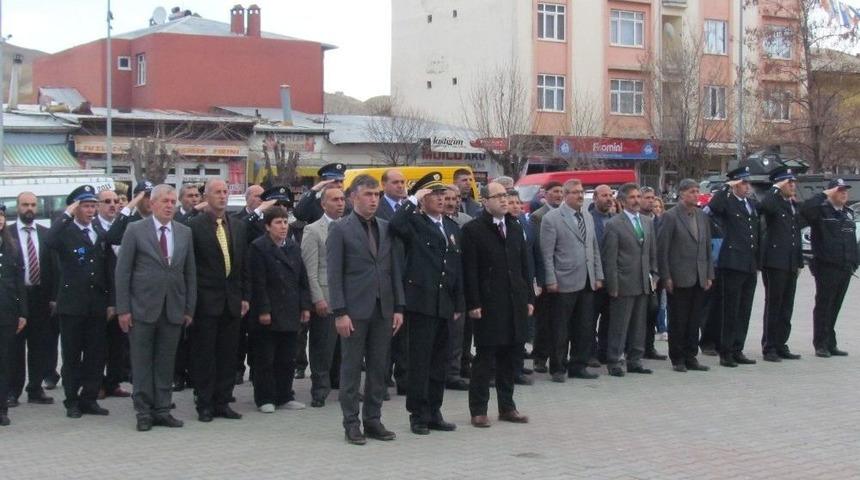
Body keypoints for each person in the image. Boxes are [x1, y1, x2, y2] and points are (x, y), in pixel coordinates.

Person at [327, 174, 404, 445]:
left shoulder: (385, 227)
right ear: (353, 198)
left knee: (378, 368)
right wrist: (340, 311)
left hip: (383, 308)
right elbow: (334, 274)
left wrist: (398, 307)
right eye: (368, 195)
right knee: (350, 370)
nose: (374, 200)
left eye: (377, 195)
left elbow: (393, 269)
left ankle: (373, 419)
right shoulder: (340, 229)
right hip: (354, 311)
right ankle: (351, 423)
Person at [115, 184, 196, 431]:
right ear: (152, 204)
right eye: (165, 201)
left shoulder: (184, 232)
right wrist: (123, 309)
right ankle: (143, 411)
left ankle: (163, 408)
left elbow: (190, 272)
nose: (170, 205)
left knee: (165, 362)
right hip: (141, 309)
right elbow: (123, 271)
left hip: (173, 308)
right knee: (141, 362)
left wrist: (189, 308)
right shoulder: (135, 230)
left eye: (173, 201)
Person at [390, 172, 464, 435]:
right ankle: (418, 415)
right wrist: (412, 199)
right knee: (419, 362)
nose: (441, 199)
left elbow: (456, 269)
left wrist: (458, 303)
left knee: (439, 363)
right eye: (434, 194)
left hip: (444, 303)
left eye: (443, 195)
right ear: (423, 198)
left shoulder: (452, 227)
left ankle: (435, 410)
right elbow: (394, 225)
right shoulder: (415, 222)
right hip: (421, 302)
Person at [461, 182, 533, 428]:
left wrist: (529, 298)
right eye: (498, 196)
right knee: (485, 358)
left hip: (514, 301)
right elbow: (469, 270)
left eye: (507, 196)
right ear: (485, 201)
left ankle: (507, 407)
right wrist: (474, 302)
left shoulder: (514, 226)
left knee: (510, 357)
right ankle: (478, 410)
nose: (504, 201)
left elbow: (525, 265)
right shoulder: (473, 230)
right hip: (489, 304)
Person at [45, 185, 112, 418]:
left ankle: (89, 398)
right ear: (75, 208)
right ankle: (71, 400)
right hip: (72, 304)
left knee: (95, 355)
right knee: (72, 355)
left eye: (94, 205)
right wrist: (66, 214)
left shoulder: (98, 231)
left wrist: (111, 301)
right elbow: (49, 240)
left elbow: (107, 268)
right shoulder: (64, 231)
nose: (91, 210)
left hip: (96, 304)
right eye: (86, 206)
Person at [188, 179, 249, 422]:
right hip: (206, 301)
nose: (222, 197)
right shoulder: (194, 226)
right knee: (205, 355)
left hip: (231, 301)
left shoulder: (237, 226)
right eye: (217, 192)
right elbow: (190, 266)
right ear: (206, 196)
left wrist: (245, 296)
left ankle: (223, 401)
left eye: (225, 192)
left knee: (228, 355)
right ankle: (204, 403)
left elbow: (243, 264)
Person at [248, 204, 311, 414]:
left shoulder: (292, 247)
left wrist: (304, 305)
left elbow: (302, 279)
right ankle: (265, 397)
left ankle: (285, 395)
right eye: (278, 223)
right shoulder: (259, 247)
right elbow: (258, 282)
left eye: (285, 222)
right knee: (266, 357)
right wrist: (264, 310)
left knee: (287, 357)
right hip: (269, 310)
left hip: (291, 309)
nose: (283, 226)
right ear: (267, 226)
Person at [540, 179, 603, 382]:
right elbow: (547, 253)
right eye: (575, 192)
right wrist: (550, 279)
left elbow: (593, 248)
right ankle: (558, 367)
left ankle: (579, 365)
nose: (579, 195)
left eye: (581, 192)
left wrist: (598, 275)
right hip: (563, 280)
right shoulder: (552, 218)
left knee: (584, 326)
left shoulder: (587, 216)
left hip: (586, 279)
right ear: (565, 195)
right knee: (560, 327)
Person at [657, 179, 714, 372]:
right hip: (679, 276)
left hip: (699, 276)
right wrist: (666, 277)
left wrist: (708, 274)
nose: (695, 194)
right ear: (681, 194)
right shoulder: (670, 216)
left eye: (697, 191)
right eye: (691, 191)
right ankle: (678, 357)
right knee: (679, 320)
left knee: (694, 319)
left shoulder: (701, 216)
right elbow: (662, 249)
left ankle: (691, 356)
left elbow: (707, 247)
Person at [601, 183, 658, 377]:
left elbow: (651, 252)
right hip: (623, 282)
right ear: (623, 201)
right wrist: (613, 285)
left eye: (637, 197)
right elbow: (610, 258)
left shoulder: (647, 222)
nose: (636, 200)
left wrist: (654, 274)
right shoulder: (614, 224)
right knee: (619, 324)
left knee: (638, 325)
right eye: (632, 197)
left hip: (643, 281)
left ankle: (635, 359)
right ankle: (614, 360)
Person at [706, 166, 760, 368]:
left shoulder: (750, 204)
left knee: (744, 309)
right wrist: (725, 187)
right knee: (730, 309)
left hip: (749, 263)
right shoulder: (726, 201)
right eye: (743, 183)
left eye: (748, 183)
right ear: (735, 184)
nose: (747, 186)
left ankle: (738, 348)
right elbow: (711, 209)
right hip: (732, 263)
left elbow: (756, 231)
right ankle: (725, 351)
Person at [800, 179, 858, 357]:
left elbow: (851, 242)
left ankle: (831, 342)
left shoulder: (847, 214)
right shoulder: (821, 212)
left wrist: (854, 262)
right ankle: (821, 344)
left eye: (845, 190)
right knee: (824, 305)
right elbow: (805, 210)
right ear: (830, 193)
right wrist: (823, 195)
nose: (843, 193)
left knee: (835, 306)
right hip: (826, 267)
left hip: (845, 267)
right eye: (839, 190)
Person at [8, 192, 55, 408]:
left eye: (33, 205)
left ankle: (35, 388)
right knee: (15, 346)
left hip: (40, 296)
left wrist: (54, 297)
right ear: (17, 207)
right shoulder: (7, 234)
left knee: (40, 345)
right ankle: (12, 391)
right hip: (17, 297)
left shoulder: (46, 234)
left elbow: (55, 268)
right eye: (25, 204)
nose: (29, 208)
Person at [301, 185, 346, 407]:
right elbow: (310, 268)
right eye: (335, 200)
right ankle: (319, 389)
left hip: (348, 297)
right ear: (323, 204)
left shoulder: (349, 226)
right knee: (322, 347)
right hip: (326, 295)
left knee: (345, 347)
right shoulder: (313, 230)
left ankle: (342, 385)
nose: (340, 203)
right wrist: (317, 298)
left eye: (342, 199)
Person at [758, 167, 804, 362]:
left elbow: (795, 235)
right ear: (780, 183)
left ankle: (781, 343)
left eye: (794, 182)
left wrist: (800, 260)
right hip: (775, 261)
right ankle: (769, 346)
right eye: (789, 182)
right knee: (774, 305)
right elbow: (764, 207)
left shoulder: (791, 205)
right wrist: (775, 187)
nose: (793, 185)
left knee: (787, 305)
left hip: (791, 261)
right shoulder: (774, 200)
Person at [94, 189, 131, 401]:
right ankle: (97, 383)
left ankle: (113, 382)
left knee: (118, 345)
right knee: (99, 345)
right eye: (107, 201)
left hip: (121, 294)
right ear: (98, 205)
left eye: (116, 201)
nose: (112, 205)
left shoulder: (126, 226)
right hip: (102, 296)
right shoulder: (96, 227)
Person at [528, 181, 564, 374]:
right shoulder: (538, 216)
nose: (559, 195)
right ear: (545, 194)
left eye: (561, 192)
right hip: (546, 275)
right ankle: (540, 357)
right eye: (555, 191)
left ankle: (556, 356)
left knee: (558, 321)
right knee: (544, 320)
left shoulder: (565, 215)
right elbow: (539, 248)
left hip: (564, 276)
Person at [0, 204, 28, 426]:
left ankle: (2, 408)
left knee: (4, 361)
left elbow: (19, 282)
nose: (0, 220)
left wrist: (22, 312)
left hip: (7, 312)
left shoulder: (11, 246)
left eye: (1, 216)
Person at [639, 186, 667, 362]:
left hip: (656, 274)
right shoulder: (637, 220)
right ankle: (635, 347)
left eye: (652, 198)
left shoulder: (659, 220)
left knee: (652, 310)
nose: (650, 201)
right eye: (647, 197)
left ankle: (649, 347)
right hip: (639, 274)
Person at [589, 184, 615, 365]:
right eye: (604, 195)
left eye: (610, 195)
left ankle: (604, 352)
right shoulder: (588, 219)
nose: (608, 198)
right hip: (593, 279)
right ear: (595, 198)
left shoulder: (617, 219)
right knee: (589, 319)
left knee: (609, 318)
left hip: (613, 278)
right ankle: (590, 353)